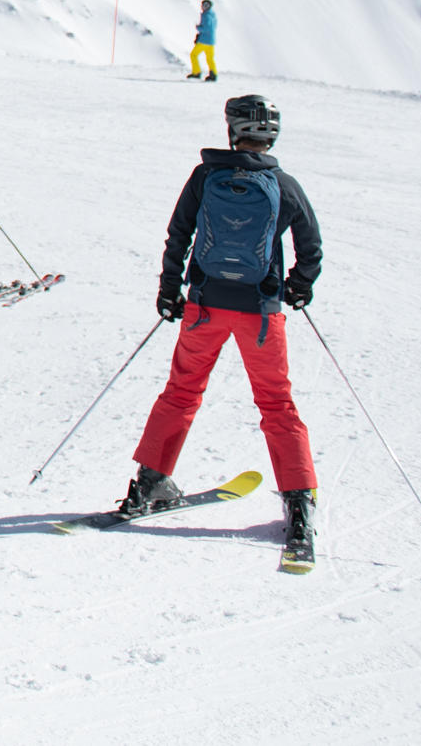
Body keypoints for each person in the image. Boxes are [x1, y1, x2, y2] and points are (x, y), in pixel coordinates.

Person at [119, 93, 322, 558]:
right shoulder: (283, 184)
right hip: (261, 314)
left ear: (232, 130)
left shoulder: (205, 176)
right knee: (276, 405)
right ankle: (299, 505)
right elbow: (311, 246)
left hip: (204, 307)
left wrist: (170, 288)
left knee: (181, 392)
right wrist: (298, 286)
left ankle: (148, 483)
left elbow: (179, 232)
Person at [187, 0, 220, 82]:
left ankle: (196, 72)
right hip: (211, 40)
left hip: (204, 40)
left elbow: (206, 28)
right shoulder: (213, 15)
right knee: (210, 58)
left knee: (193, 55)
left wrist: (198, 28)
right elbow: (214, 26)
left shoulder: (206, 15)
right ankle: (213, 74)